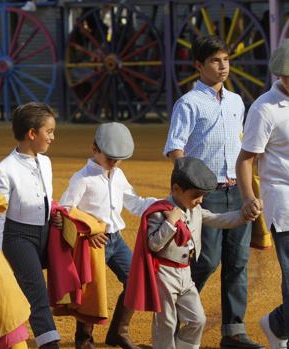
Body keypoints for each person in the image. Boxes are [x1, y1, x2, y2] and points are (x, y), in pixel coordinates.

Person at [163, 35, 262, 349]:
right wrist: (190, 187)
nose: (223, 67)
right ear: (198, 65)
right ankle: (179, 320)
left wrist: (248, 192)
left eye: (226, 60)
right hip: (205, 194)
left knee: (238, 261)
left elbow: (244, 149)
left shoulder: (236, 101)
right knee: (205, 260)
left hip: (236, 188)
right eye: (215, 61)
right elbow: (175, 149)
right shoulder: (188, 103)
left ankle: (233, 330)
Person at [126, 157, 256, 349]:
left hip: (186, 274)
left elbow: (219, 219)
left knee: (198, 319)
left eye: (202, 195)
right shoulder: (160, 212)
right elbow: (153, 244)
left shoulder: (195, 210)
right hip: (164, 274)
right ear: (176, 189)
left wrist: (243, 216)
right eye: (196, 195)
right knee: (166, 323)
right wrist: (170, 224)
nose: (200, 200)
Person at [60, 122, 156, 349]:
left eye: (118, 158)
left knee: (134, 280)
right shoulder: (81, 178)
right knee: (89, 291)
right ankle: (83, 342)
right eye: (110, 157)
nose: (114, 162)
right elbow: (65, 210)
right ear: (95, 148)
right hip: (91, 243)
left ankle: (118, 333)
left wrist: (162, 204)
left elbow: (135, 203)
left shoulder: (119, 174)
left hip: (116, 239)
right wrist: (87, 232)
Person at [0, 102, 60, 348]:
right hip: (18, 238)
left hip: (46, 232)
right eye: (48, 131)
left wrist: (55, 214)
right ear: (32, 133)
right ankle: (50, 344)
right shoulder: (4, 169)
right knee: (38, 293)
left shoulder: (46, 162)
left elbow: (46, 198)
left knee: (72, 277)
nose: (52, 137)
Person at [236, 39, 289, 349]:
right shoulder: (264, 108)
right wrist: (248, 197)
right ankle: (278, 324)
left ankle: (277, 323)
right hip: (283, 203)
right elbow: (246, 159)